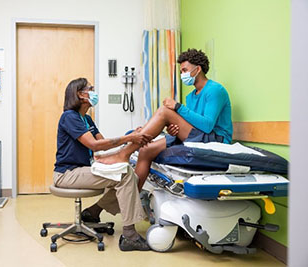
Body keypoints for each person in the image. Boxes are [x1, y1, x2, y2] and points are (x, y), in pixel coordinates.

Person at [97, 49, 233, 191]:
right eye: (181, 72)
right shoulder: (191, 96)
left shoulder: (215, 90)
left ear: (197, 69)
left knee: (164, 111)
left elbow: (207, 125)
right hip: (198, 135)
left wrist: (178, 107)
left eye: (185, 70)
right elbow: (193, 125)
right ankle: (131, 202)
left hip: (216, 139)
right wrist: (175, 131)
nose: (182, 75)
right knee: (145, 150)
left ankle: (124, 153)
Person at [53, 78, 152, 251]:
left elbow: (103, 144)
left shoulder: (87, 120)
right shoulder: (69, 117)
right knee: (124, 175)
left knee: (128, 175)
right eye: (90, 89)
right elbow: (94, 145)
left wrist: (131, 139)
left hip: (84, 169)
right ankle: (129, 236)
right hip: (67, 174)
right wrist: (129, 138)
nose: (93, 91)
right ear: (80, 94)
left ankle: (92, 212)